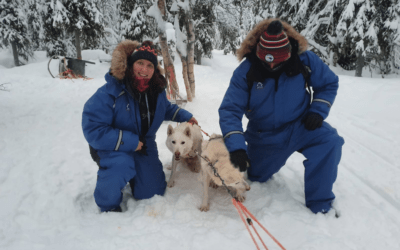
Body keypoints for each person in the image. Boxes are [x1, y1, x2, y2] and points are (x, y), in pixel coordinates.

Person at [219, 18, 345, 214]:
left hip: (301, 125)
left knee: (330, 141)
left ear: (288, 53)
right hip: (264, 134)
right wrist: (236, 146)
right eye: (266, 59)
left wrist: (318, 110)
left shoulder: (305, 60)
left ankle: (320, 204)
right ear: (259, 52)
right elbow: (230, 109)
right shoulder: (246, 71)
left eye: (276, 60)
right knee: (257, 176)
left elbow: (328, 83)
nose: (270, 66)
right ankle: (260, 165)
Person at [82, 40, 198, 212]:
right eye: (140, 63)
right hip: (111, 145)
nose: (144, 70)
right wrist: (130, 142)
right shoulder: (111, 91)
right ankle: (108, 203)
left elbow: (165, 108)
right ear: (131, 64)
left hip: (143, 144)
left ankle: (136, 175)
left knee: (152, 191)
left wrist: (187, 117)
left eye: (149, 65)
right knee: (121, 164)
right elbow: (93, 128)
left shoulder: (155, 90)